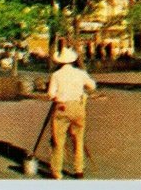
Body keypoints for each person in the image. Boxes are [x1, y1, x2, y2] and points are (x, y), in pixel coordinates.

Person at [47, 47, 96, 180]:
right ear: (72, 61)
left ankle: (57, 172)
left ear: (60, 62)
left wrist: (58, 96)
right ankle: (79, 170)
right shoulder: (80, 73)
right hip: (78, 107)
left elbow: (51, 94)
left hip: (62, 107)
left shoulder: (56, 75)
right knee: (78, 139)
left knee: (58, 140)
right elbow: (92, 86)